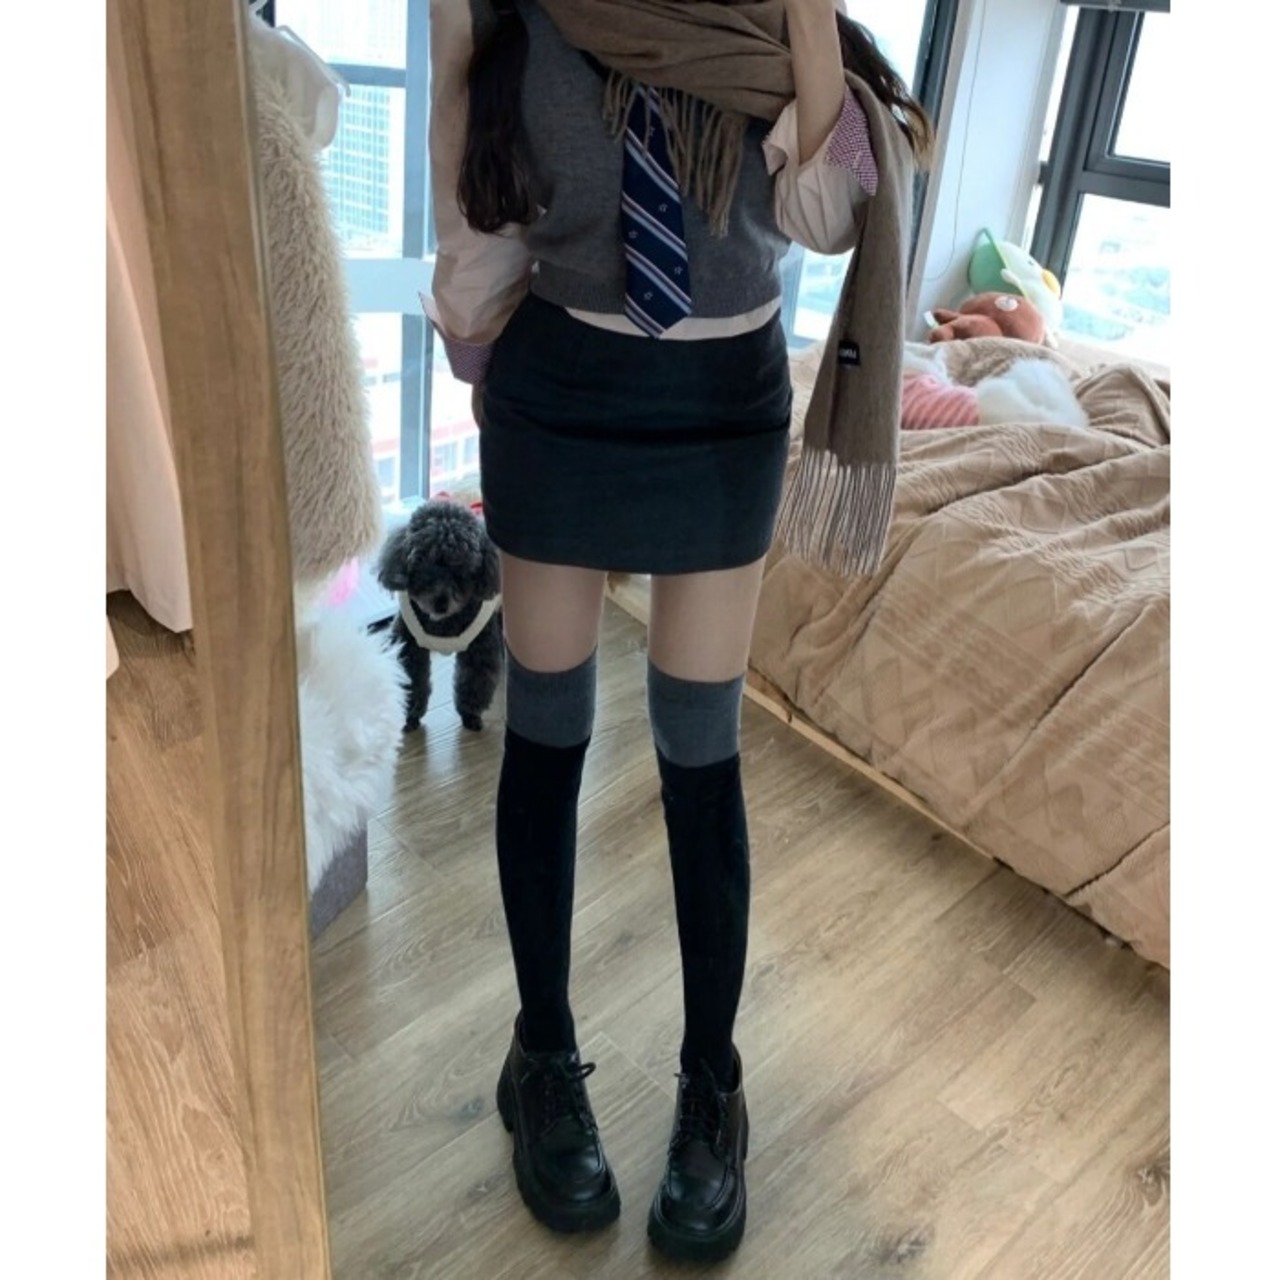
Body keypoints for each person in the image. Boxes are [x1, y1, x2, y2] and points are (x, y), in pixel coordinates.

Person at [425, 0, 931, 1262]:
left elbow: (826, 212)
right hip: (558, 387)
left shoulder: (763, 16)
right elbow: (468, 168)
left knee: (700, 752)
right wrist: (473, 346)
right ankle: (541, 1054)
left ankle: (714, 1085)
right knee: (546, 733)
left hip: (722, 401)